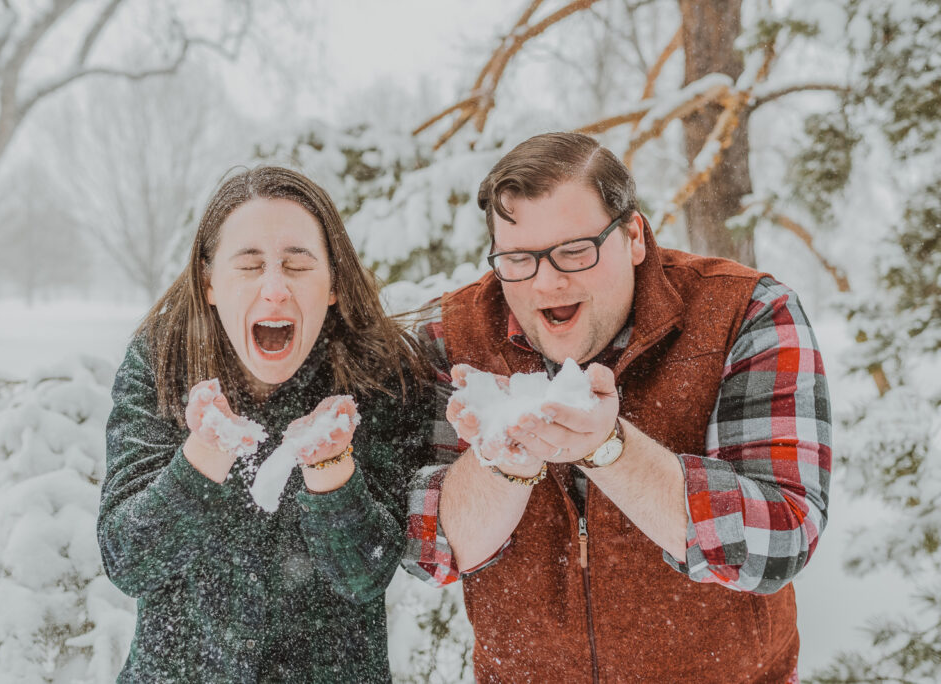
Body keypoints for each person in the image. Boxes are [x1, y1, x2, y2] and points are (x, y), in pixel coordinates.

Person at [402, 133, 831, 682]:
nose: (548, 281)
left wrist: (611, 452)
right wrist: (504, 461)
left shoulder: (746, 313)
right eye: (517, 259)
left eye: (575, 251)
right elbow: (429, 550)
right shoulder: (453, 334)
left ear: (632, 236)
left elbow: (781, 538)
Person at [98, 166, 432, 683]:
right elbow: (131, 561)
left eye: (297, 267)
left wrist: (330, 468)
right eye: (249, 266)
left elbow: (366, 575)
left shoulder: (380, 375)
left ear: (333, 287)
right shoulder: (162, 361)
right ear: (210, 283)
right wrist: (204, 454)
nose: (274, 289)